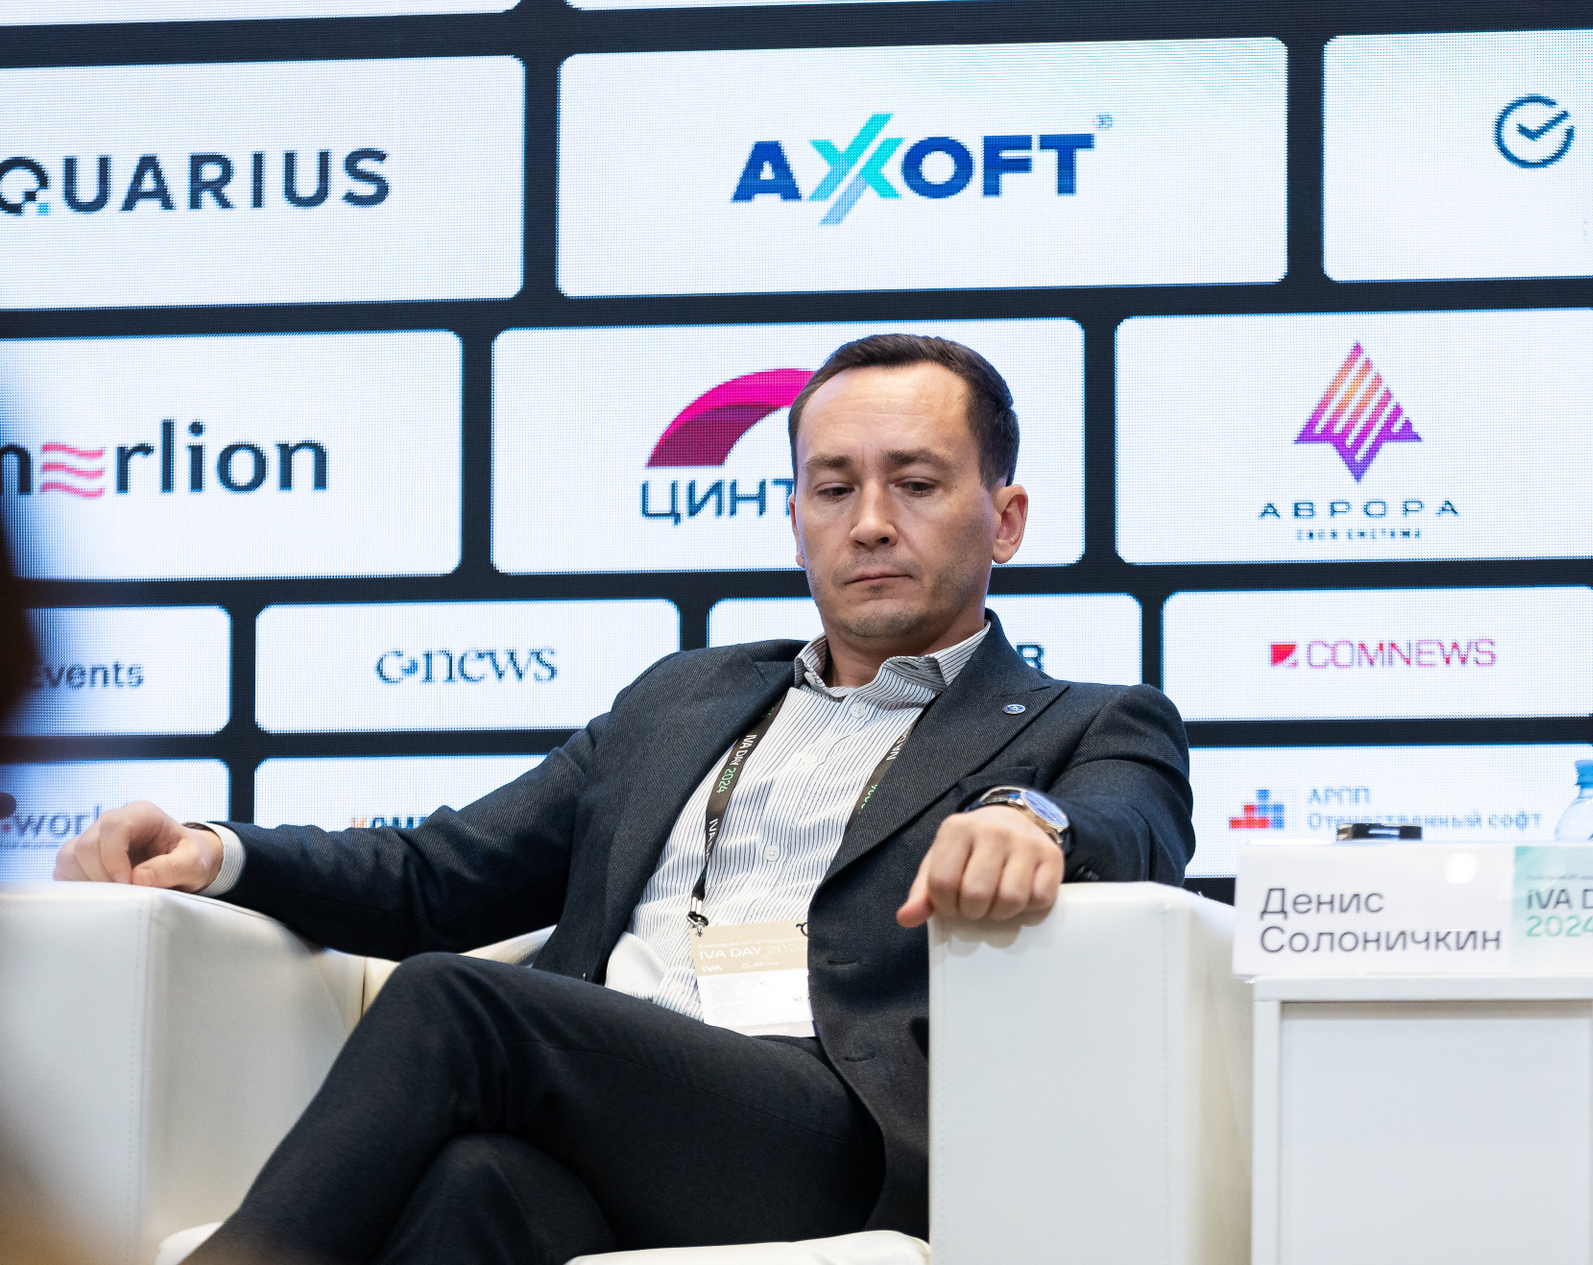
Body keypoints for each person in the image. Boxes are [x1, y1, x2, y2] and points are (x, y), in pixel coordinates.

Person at [54, 334, 1195, 1265]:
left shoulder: (1086, 720)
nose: (869, 522)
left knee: (455, 1002)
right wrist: (218, 853)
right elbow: (441, 875)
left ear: (1005, 517)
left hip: (823, 1124)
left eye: (917, 483)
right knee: (475, 1189)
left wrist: (1030, 822)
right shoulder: (681, 699)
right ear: (795, 513)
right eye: (833, 487)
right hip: (607, 1105)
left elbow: (1132, 819)